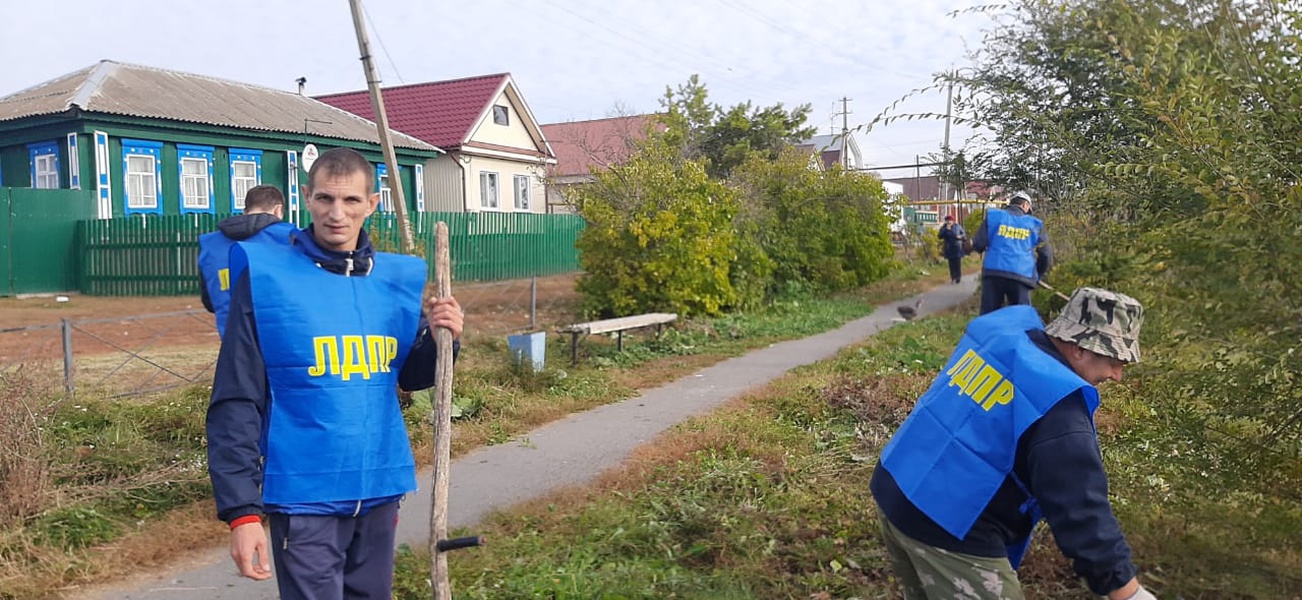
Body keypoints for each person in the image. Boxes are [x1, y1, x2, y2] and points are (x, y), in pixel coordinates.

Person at [206, 147, 464, 599]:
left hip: (379, 488)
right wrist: (242, 513)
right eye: (325, 199)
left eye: (350, 201)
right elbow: (236, 396)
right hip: (303, 496)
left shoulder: (393, 281)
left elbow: (415, 377)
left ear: (372, 204)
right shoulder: (268, 278)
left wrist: (445, 337)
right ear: (306, 198)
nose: (336, 214)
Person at [869, 287, 1155, 600]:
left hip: (896, 484)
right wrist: (1126, 591)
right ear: (1080, 348)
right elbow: (1081, 510)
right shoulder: (1059, 410)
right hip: (949, 525)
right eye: (1115, 361)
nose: (1117, 376)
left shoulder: (1005, 339)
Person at [197, 184, 294, 337]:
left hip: (233, 342)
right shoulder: (291, 238)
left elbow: (209, 301)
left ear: (245, 211)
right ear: (278, 209)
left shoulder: (209, 245)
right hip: (283, 339)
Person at [971, 191, 1053, 314]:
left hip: (994, 273)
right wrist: (1036, 275)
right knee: (1021, 318)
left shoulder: (994, 217)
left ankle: (990, 332)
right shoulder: (1035, 224)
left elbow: (978, 244)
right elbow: (1046, 255)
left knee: (989, 317)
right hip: (1021, 275)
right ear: (1026, 205)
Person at [938, 214, 967, 284]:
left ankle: (958, 277)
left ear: (953, 221)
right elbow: (939, 236)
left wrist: (960, 237)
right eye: (948, 220)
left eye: (950, 220)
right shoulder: (944, 228)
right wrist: (945, 230)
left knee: (957, 263)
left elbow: (964, 236)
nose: (949, 222)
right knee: (951, 264)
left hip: (957, 247)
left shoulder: (957, 227)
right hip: (949, 248)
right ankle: (953, 277)